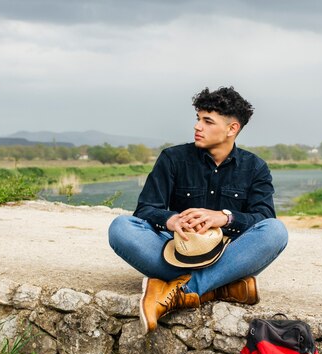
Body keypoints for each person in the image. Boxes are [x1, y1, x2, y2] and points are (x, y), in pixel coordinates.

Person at [108, 86, 288, 333]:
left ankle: (182, 291)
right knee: (120, 227)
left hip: (229, 258)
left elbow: (263, 218)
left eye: (207, 121)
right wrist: (172, 220)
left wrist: (224, 218)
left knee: (276, 231)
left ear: (231, 129)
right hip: (176, 255)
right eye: (197, 119)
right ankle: (222, 287)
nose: (197, 126)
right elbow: (146, 210)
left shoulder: (255, 167)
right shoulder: (172, 158)